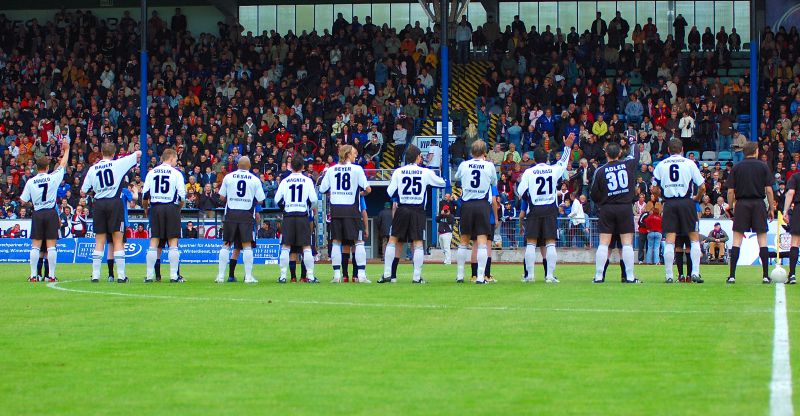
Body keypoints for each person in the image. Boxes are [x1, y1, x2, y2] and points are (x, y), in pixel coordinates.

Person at [380, 144, 446, 283]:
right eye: (420, 156)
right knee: (418, 242)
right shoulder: (425, 172)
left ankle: (387, 274)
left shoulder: (399, 171)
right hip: (417, 210)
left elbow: (390, 192)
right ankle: (416, 277)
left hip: (402, 209)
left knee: (393, 240)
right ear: (417, 157)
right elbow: (442, 183)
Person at [516, 133, 574, 283]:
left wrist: (531, 198)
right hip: (549, 208)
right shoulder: (552, 169)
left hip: (535, 208)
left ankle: (530, 276)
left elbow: (520, 191)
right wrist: (567, 147)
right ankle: (549, 276)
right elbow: (563, 162)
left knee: (531, 243)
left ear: (534, 159)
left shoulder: (529, 172)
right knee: (550, 243)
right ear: (546, 159)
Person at [80, 143, 142, 283]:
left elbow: (83, 190)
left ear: (101, 153)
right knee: (118, 240)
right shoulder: (118, 164)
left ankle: (95, 275)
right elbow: (138, 153)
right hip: (114, 203)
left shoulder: (93, 169)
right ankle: (121, 276)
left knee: (99, 241)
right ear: (114, 154)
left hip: (99, 204)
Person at [652, 138, 706, 283]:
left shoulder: (661, 165)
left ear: (668, 150)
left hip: (670, 203)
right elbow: (702, 186)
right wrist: (697, 198)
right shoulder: (689, 163)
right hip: (687, 202)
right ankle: (695, 273)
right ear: (682, 150)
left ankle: (669, 276)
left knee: (670, 240)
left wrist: (661, 197)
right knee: (694, 237)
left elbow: (654, 189)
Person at [589, 136, 640, 283]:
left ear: (606, 154)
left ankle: (599, 277)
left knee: (604, 243)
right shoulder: (627, 165)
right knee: (627, 243)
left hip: (607, 208)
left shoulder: (600, 171)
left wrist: (603, 202)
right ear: (620, 153)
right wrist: (633, 141)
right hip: (625, 208)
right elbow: (635, 154)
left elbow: (593, 194)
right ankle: (629, 277)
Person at [318, 145, 371, 283]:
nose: (355, 155)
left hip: (336, 210)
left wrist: (334, 192)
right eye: (354, 153)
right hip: (352, 210)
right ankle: (361, 275)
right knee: (358, 241)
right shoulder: (357, 169)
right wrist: (361, 193)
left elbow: (322, 189)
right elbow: (368, 189)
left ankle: (337, 275)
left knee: (336, 242)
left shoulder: (331, 169)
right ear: (347, 154)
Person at [21, 139, 69, 282]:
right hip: (51, 212)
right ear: (48, 167)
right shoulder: (53, 177)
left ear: (37, 168)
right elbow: (63, 164)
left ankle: (33, 276)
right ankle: (51, 276)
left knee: (35, 246)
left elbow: (23, 200)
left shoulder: (30, 181)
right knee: (51, 246)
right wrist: (66, 150)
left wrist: (33, 203)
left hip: (38, 213)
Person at [726, 142, 775, 284]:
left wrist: (730, 207)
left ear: (744, 152)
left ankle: (732, 276)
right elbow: (769, 190)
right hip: (758, 203)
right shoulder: (763, 166)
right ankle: (765, 276)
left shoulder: (737, 167)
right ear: (756, 151)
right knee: (762, 241)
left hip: (741, 204)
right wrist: (771, 208)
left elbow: (730, 191)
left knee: (737, 241)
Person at [214, 157, 265, 284]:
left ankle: (220, 276)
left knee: (226, 244)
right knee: (247, 246)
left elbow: (221, 197)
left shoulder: (228, 177)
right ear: (249, 166)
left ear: (237, 165)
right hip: (246, 214)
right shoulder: (254, 179)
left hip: (231, 213)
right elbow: (261, 200)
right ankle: (248, 277)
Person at [453, 140, 497, 284]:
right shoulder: (489, 166)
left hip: (467, 204)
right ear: (484, 152)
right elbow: (493, 182)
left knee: (464, 240)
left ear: (471, 152)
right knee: (482, 241)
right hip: (482, 204)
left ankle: (460, 275)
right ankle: (480, 277)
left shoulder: (464, 164)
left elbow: (457, 177)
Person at [142, 149, 186, 283]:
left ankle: (149, 276)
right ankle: (173, 276)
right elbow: (182, 196)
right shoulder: (176, 173)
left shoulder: (152, 172)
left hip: (156, 208)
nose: (176, 161)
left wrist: (146, 209)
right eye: (176, 159)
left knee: (154, 241)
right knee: (173, 241)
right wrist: (178, 208)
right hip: (171, 207)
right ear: (171, 158)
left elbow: (145, 196)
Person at [274, 157, 318, 284]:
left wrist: (285, 207)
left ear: (290, 167)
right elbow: (314, 200)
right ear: (303, 167)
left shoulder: (285, 181)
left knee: (286, 246)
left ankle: (283, 276)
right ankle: (310, 276)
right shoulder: (308, 181)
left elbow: (277, 200)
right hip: (302, 215)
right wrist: (307, 207)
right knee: (306, 246)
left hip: (288, 215)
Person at [106, 183, 134, 282]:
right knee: (120, 245)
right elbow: (132, 202)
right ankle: (121, 275)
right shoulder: (124, 191)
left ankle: (110, 275)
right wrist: (134, 192)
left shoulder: (109, 189)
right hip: (121, 220)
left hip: (108, 220)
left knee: (110, 246)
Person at [780, 172, 800, 284]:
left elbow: (790, 193)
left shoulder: (795, 177)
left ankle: (792, 275)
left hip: (798, 209)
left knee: (795, 242)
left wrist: (785, 211)